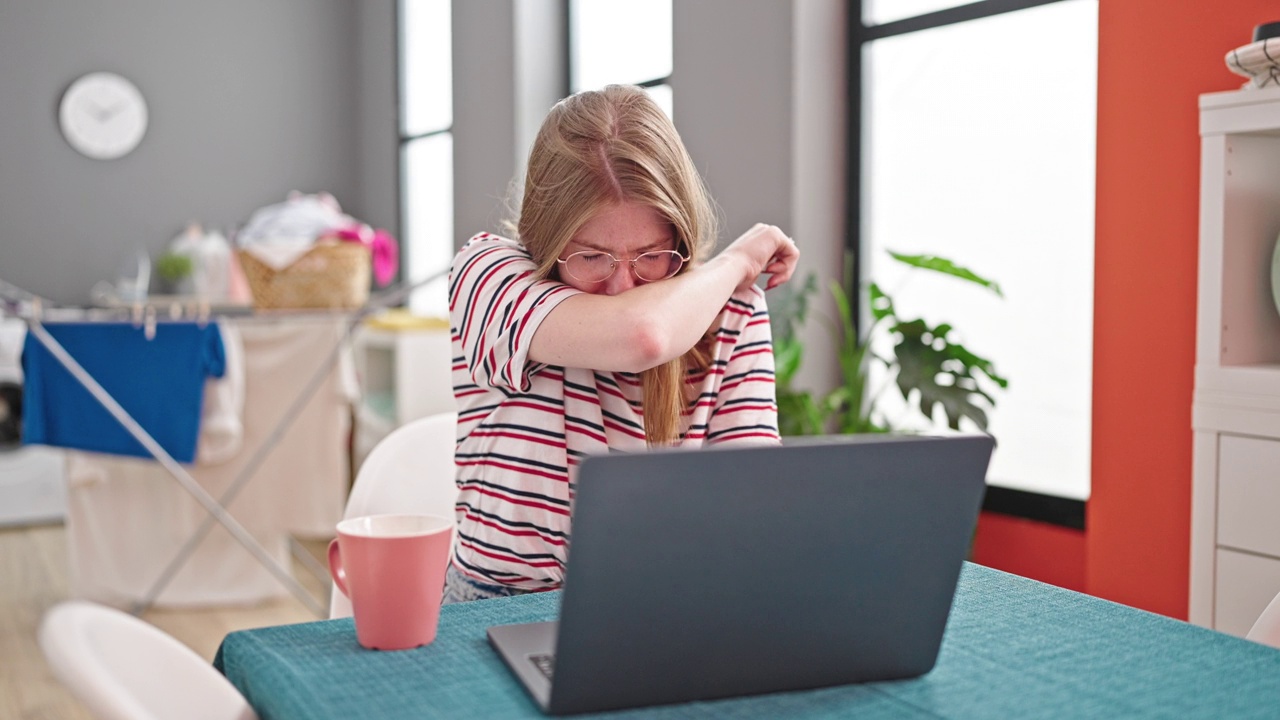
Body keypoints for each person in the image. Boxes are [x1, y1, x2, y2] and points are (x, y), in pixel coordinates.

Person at [442, 84, 799, 603]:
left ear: (680, 238)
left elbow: (755, 509)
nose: (623, 286)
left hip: (665, 603)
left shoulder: (731, 307)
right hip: (494, 604)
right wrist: (741, 259)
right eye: (591, 258)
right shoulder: (487, 274)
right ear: (544, 239)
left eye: (651, 255)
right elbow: (644, 335)